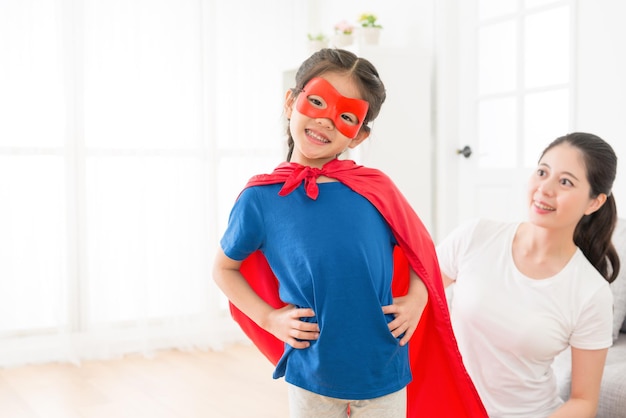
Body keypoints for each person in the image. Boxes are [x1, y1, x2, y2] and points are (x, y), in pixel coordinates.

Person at [213, 48, 487, 418]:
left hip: (384, 369)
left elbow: (422, 253)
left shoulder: (375, 189)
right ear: (291, 101)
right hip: (311, 372)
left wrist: (418, 298)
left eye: (345, 116)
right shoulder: (260, 198)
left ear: (358, 136)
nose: (326, 120)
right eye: (317, 101)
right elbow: (224, 269)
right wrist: (268, 318)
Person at [437, 132, 619, 418]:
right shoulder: (476, 236)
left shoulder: (591, 293)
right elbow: (417, 294)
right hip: (446, 405)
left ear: (593, 203)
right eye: (542, 172)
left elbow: (584, 401)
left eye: (565, 182)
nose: (544, 189)